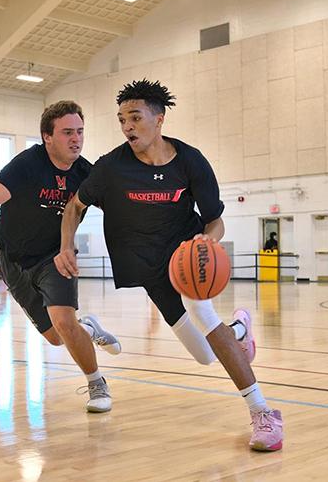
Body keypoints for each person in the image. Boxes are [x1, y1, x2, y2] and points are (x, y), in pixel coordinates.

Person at [55, 80, 284, 451]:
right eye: (121, 120)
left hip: (186, 260)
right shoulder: (111, 167)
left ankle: (263, 414)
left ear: (158, 119)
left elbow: (214, 219)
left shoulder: (191, 161)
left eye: (135, 117)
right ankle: (240, 331)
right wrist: (66, 246)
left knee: (205, 318)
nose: (127, 126)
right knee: (205, 355)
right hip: (150, 271)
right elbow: (74, 206)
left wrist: (207, 240)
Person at [0, 100, 120, 413]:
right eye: (67, 132)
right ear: (47, 137)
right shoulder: (27, 165)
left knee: (64, 322)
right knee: (55, 337)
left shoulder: (84, 172)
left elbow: (117, 206)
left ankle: (96, 383)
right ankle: (88, 329)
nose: (76, 139)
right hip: (15, 261)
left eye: (79, 132)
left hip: (56, 256)